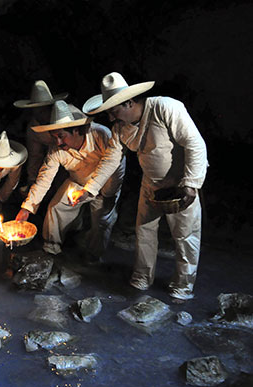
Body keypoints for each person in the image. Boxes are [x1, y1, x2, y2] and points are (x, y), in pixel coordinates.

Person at [78, 71, 207, 302]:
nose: (110, 118)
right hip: (150, 184)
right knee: (144, 232)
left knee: (185, 237)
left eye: (113, 111)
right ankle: (141, 278)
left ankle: (182, 287)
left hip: (180, 184)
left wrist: (191, 184)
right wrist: (90, 188)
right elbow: (111, 159)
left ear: (128, 102)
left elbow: (195, 144)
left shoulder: (165, 107)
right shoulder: (119, 128)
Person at [15, 100, 125, 262]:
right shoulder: (56, 149)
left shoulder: (101, 135)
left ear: (76, 130)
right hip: (77, 181)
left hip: (105, 184)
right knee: (56, 206)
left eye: (61, 136)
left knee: (101, 221)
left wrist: (104, 192)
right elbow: (44, 179)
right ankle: (51, 249)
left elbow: (115, 165)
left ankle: (93, 256)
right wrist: (27, 208)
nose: (58, 142)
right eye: (54, 137)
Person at [13, 80, 68, 191]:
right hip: (53, 160)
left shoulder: (66, 118)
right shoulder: (33, 128)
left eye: (42, 111)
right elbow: (35, 155)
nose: (39, 116)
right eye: (36, 111)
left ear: (50, 108)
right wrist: (32, 179)